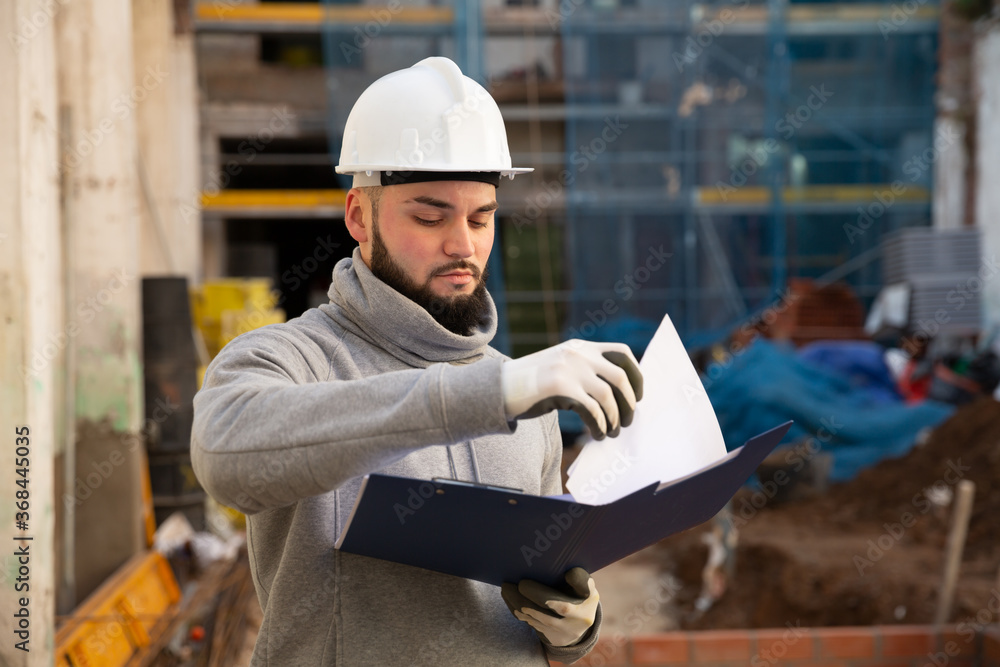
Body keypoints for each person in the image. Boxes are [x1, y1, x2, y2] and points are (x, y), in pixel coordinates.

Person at [191, 56, 643, 666]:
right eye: (429, 217)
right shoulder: (290, 360)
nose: (463, 244)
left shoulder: (522, 396)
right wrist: (497, 391)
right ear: (360, 217)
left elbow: (534, 585)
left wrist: (572, 630)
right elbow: (224, 454)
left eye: (481, 218)